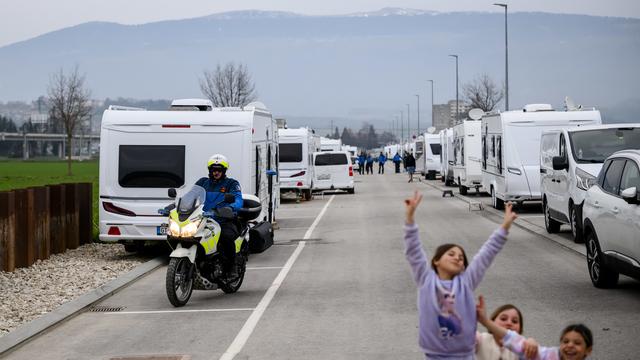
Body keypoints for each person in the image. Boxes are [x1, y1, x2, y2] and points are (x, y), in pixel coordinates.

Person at [403, 191, 517, 359]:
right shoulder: (426, 280)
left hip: (465, 356)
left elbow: (486, 254)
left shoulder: (466, 282)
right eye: (451, 254)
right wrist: (410, 219)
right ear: (436, 261)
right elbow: (413, 251)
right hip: (434, 356)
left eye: (461, 257)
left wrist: (505, 226)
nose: (457, 257)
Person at [477, 296, 593, 360]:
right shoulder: (480, 339)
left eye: (577, 343)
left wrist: (530, 342)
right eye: (565, 341)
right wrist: (485, 321)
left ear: (588, 350)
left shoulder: (526, 349)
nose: (570, 345)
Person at [195, 154, 244, 279]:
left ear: (224, 171)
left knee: (225, 238)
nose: (216, 172)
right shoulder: (202, 182)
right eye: (213, 170)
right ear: (210, 170)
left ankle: (232, 267)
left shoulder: (231, 184)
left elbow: (238, 199)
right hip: (204, 220)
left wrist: (230, 207)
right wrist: (175, 205)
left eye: (219, 170)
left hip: (224, 220)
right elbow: (190, 195)